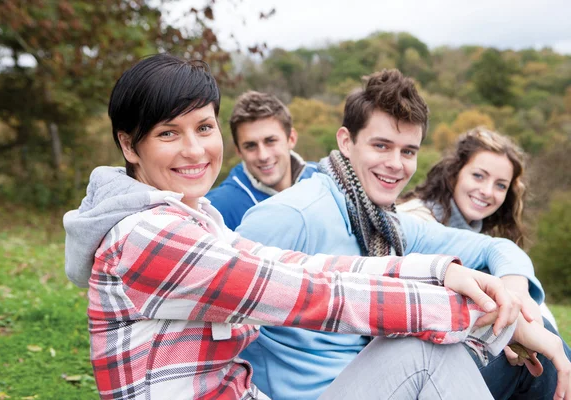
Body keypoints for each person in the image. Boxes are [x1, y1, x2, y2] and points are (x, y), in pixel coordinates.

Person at [63, 54, 535, 400]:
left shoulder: (193, 218)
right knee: (427, 354)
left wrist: (439, 271)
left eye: (204, 128)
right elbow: (313, 297)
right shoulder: (148, 237)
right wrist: (485, 317)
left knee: (433, 355)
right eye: (169, 133)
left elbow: (305, 267)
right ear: (129, 145)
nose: (194, 150)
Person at [236, 69, 571, 400]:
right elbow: (215, 308)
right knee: (429, 348)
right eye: (381, 146)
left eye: (408, 151)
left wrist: (515, 300)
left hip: (381, 374)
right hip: (324, 390)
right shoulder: (294, 214)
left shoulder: (387, 223)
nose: (396, 164)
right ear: (346, 142)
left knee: (536, 358)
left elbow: (497, 248)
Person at [398, 127, 559, 328]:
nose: (487, 191)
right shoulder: (416, 220)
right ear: (454, 174)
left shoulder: (478, 232)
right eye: (478, 176)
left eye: (500, 185)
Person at [206, 91, 317, 230]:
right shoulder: (216, 209)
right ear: (238, 151)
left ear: (291, 139)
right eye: (250, 146)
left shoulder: (324, 180)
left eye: (270, 141)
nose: (263, 156)